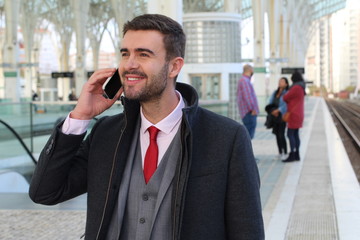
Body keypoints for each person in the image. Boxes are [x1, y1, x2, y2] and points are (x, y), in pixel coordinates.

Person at [29, 14, 264, 239]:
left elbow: (247, 231)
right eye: (125, 54)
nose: (130, 65)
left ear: (174, 66)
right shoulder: (106, 134)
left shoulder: (226, 138)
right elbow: (45, 192)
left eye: (143, 54)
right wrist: (81, 116)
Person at [282, 71, 306, 162]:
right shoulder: (302, 87)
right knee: (295, 134)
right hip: (299, 113)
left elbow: (285, 97)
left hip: (293, 113)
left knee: (290, 134)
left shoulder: (296, 87)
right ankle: (297, 154)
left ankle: (292, 154)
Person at [266, 77, 289, 160]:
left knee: (281, 135)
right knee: (276, 134)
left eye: (282, 81)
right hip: (274, 116)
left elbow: (286, 104)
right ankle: (280, 152)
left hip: (282, 116)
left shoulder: (287, 93)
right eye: (280, 81)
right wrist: (272, 111)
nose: (280, 83)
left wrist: (278, 110)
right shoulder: (275, 92)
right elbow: (270, 102)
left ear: (286, 84)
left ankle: (285, 152)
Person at [237, 64, 259, 139]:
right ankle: (246, 151)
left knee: (248, 136)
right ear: (250, 70)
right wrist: (252, 109)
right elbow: (247, 97)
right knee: (249, 136)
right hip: (249, 112)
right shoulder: (244, 81)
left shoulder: (244, 80)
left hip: (248, 112)